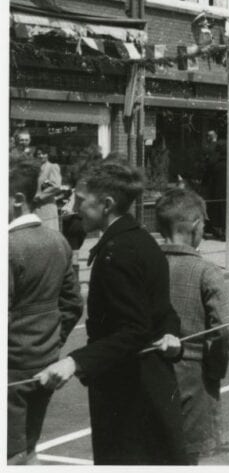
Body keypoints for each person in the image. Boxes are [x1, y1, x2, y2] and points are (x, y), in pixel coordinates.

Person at [33, 158, 188, 464]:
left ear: (106, 204)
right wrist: (170, 331)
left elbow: (133, 329)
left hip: (129, 395)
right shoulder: (140, 240)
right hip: (148, 388)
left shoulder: (118, 252)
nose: (74, 208)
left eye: (81, 200)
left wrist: (74, 363)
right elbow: (161, 310)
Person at [8, 158, 84, 465]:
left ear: (16, 200)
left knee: (11, 455)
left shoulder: (9, 247)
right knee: (29, 448)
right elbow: (73, 304)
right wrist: (50, 342)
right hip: (43, 362)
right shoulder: (58, 242)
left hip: (10, 371)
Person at [155, 188, 229, 464]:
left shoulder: (144, 265)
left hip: (150, 373)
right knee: (187, 456)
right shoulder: (205, 271)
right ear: (197, 226)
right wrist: (214, 368)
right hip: (194, 376)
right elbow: (223, 328)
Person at [34, 145, 63, 232]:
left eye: (44, 153)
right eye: (39, 154)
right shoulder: (35, 169)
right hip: (35, 208)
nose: (41, 156)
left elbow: (56, 185)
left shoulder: (52, 167)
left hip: (47, 206)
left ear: (47, 155)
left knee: (48, 232)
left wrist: (39, 196)